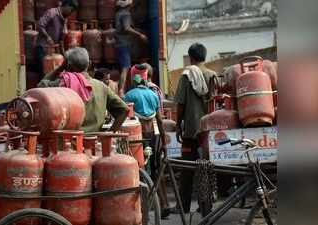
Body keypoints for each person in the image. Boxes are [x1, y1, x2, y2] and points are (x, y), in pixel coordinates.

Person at [38, 47, 129, 133]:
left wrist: (60, 68)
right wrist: (109, 134)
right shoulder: (101, 87)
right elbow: (124, 110)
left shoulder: (62, 84)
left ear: (68, 66)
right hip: (95, 141)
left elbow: (40, 87)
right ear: (89, 64)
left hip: (69, 142)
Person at [174, 43, 217, 214]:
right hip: (209, 132)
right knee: (206, 168)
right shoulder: (212, 75)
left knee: (187, 168)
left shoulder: (186, 75)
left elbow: (180, 104)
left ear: (190, 57)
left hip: (191, 130)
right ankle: (205, 206)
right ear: (204, 57)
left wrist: (178, 125)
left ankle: (183, 206)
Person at [123, 64, 170, 218]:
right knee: (157, 170)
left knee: (140, 171)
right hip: (154, 136)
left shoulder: (128, 96)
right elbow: (160, 122)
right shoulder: (153, 94)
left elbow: (125, 120)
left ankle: (144, 212)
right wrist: (164, 143)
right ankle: (164, 204)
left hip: (138, 138)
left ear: (133, 79)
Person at [36, 0, 78, 77]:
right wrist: (47, 37)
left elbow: (61, 39)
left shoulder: (64, 19)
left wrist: (64, 55)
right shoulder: (52, 13)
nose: (71, 13)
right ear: (67, 6)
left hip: (53, 51)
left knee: (54, 75)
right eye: (71, 10)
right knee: (45, 74)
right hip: (43, 48)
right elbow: (40, 25)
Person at [115, 0, 148, 96]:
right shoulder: (126, 14)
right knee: (126, 68)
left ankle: (124, 89)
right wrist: (140, 35)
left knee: (125, 67)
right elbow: (126, 28)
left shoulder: (118, 13)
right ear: (130, 5)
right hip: (124, 43)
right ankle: (121, 91)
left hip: (120, 43)